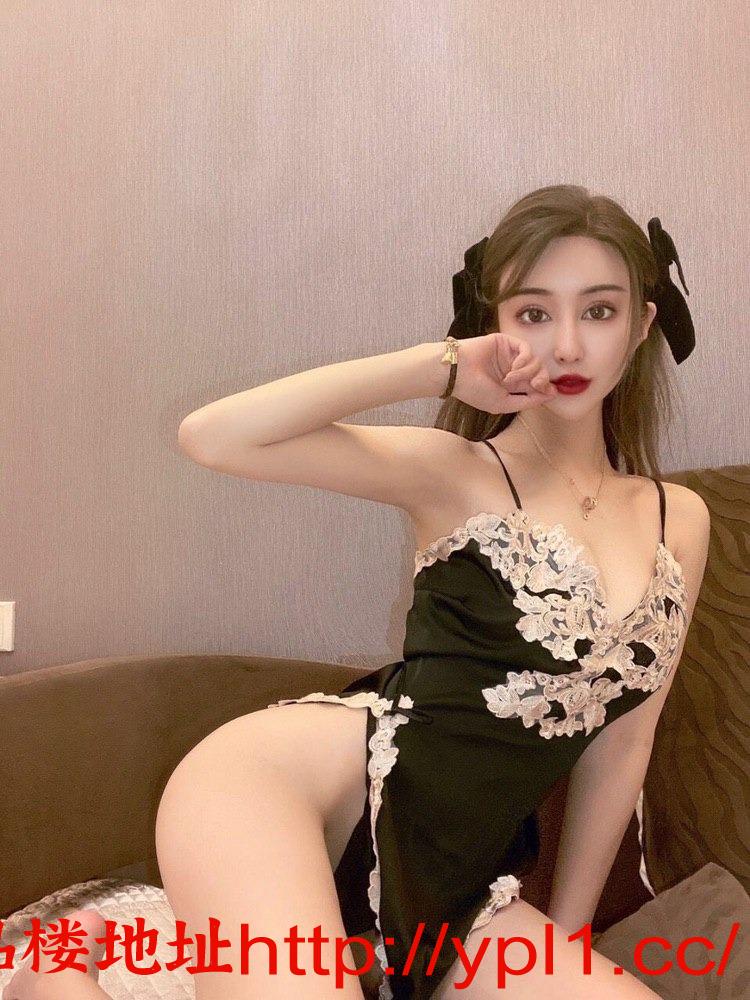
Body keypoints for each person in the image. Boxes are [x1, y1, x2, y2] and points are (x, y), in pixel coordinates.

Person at [5, 184, 710, 1000]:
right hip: (288, 793)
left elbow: (622, 747)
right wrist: (440, 366)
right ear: (494, 325)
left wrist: (567, 940)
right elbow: (214, 437)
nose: (568, 344)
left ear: (642, 324)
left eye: (599, 310)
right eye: (533, 312)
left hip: (465, 880)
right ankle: (50, 979)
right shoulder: (455, 472)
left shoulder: (680, 520)